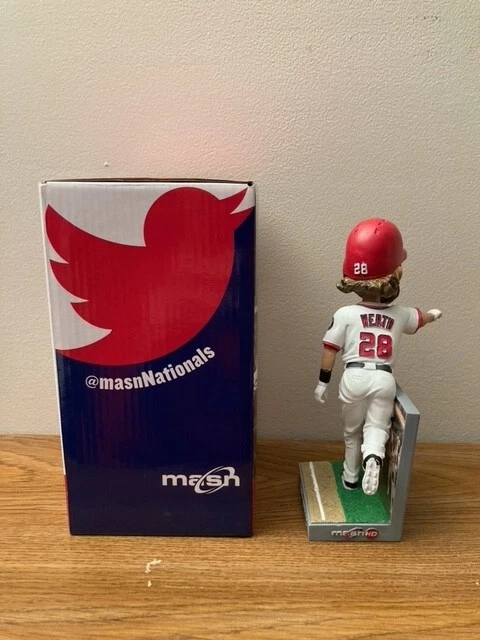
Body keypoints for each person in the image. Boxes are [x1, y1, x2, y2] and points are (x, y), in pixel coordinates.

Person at [314, 219, 442, 495]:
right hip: (384, 379)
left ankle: (350, 478)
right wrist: (435, 314)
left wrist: (323, 383)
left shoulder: (345, 314)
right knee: (376, 426)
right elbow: (422, 318)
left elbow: (330, 350)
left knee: (351, 432)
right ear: (395, 273)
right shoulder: (400, 313)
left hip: (354, 376)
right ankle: (373, 455)